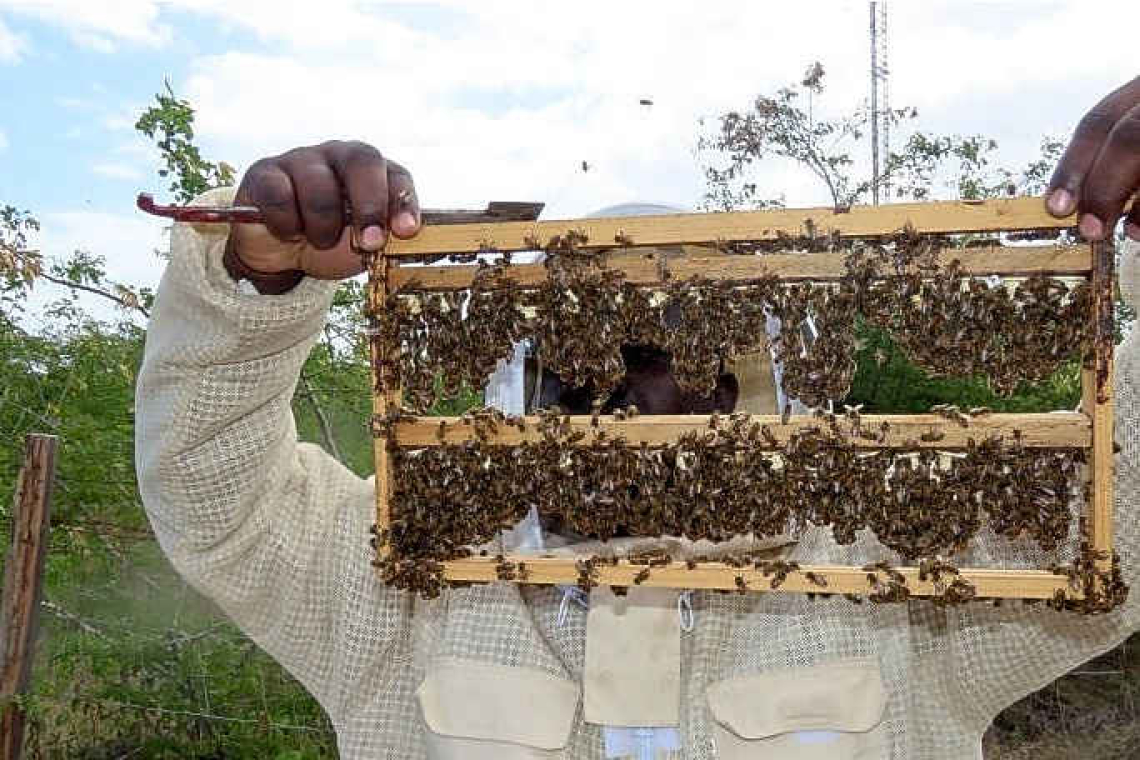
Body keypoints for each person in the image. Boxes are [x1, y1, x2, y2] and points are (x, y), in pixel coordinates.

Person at [135, 77, 1140, 759]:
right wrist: (256, 280)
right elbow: (217, 495)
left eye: (685, 359)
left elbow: (1127, 495)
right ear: (522, 379)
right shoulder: (398, 583)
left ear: (758, 378)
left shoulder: (910, 568)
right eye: (588, 360)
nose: (633, 402)